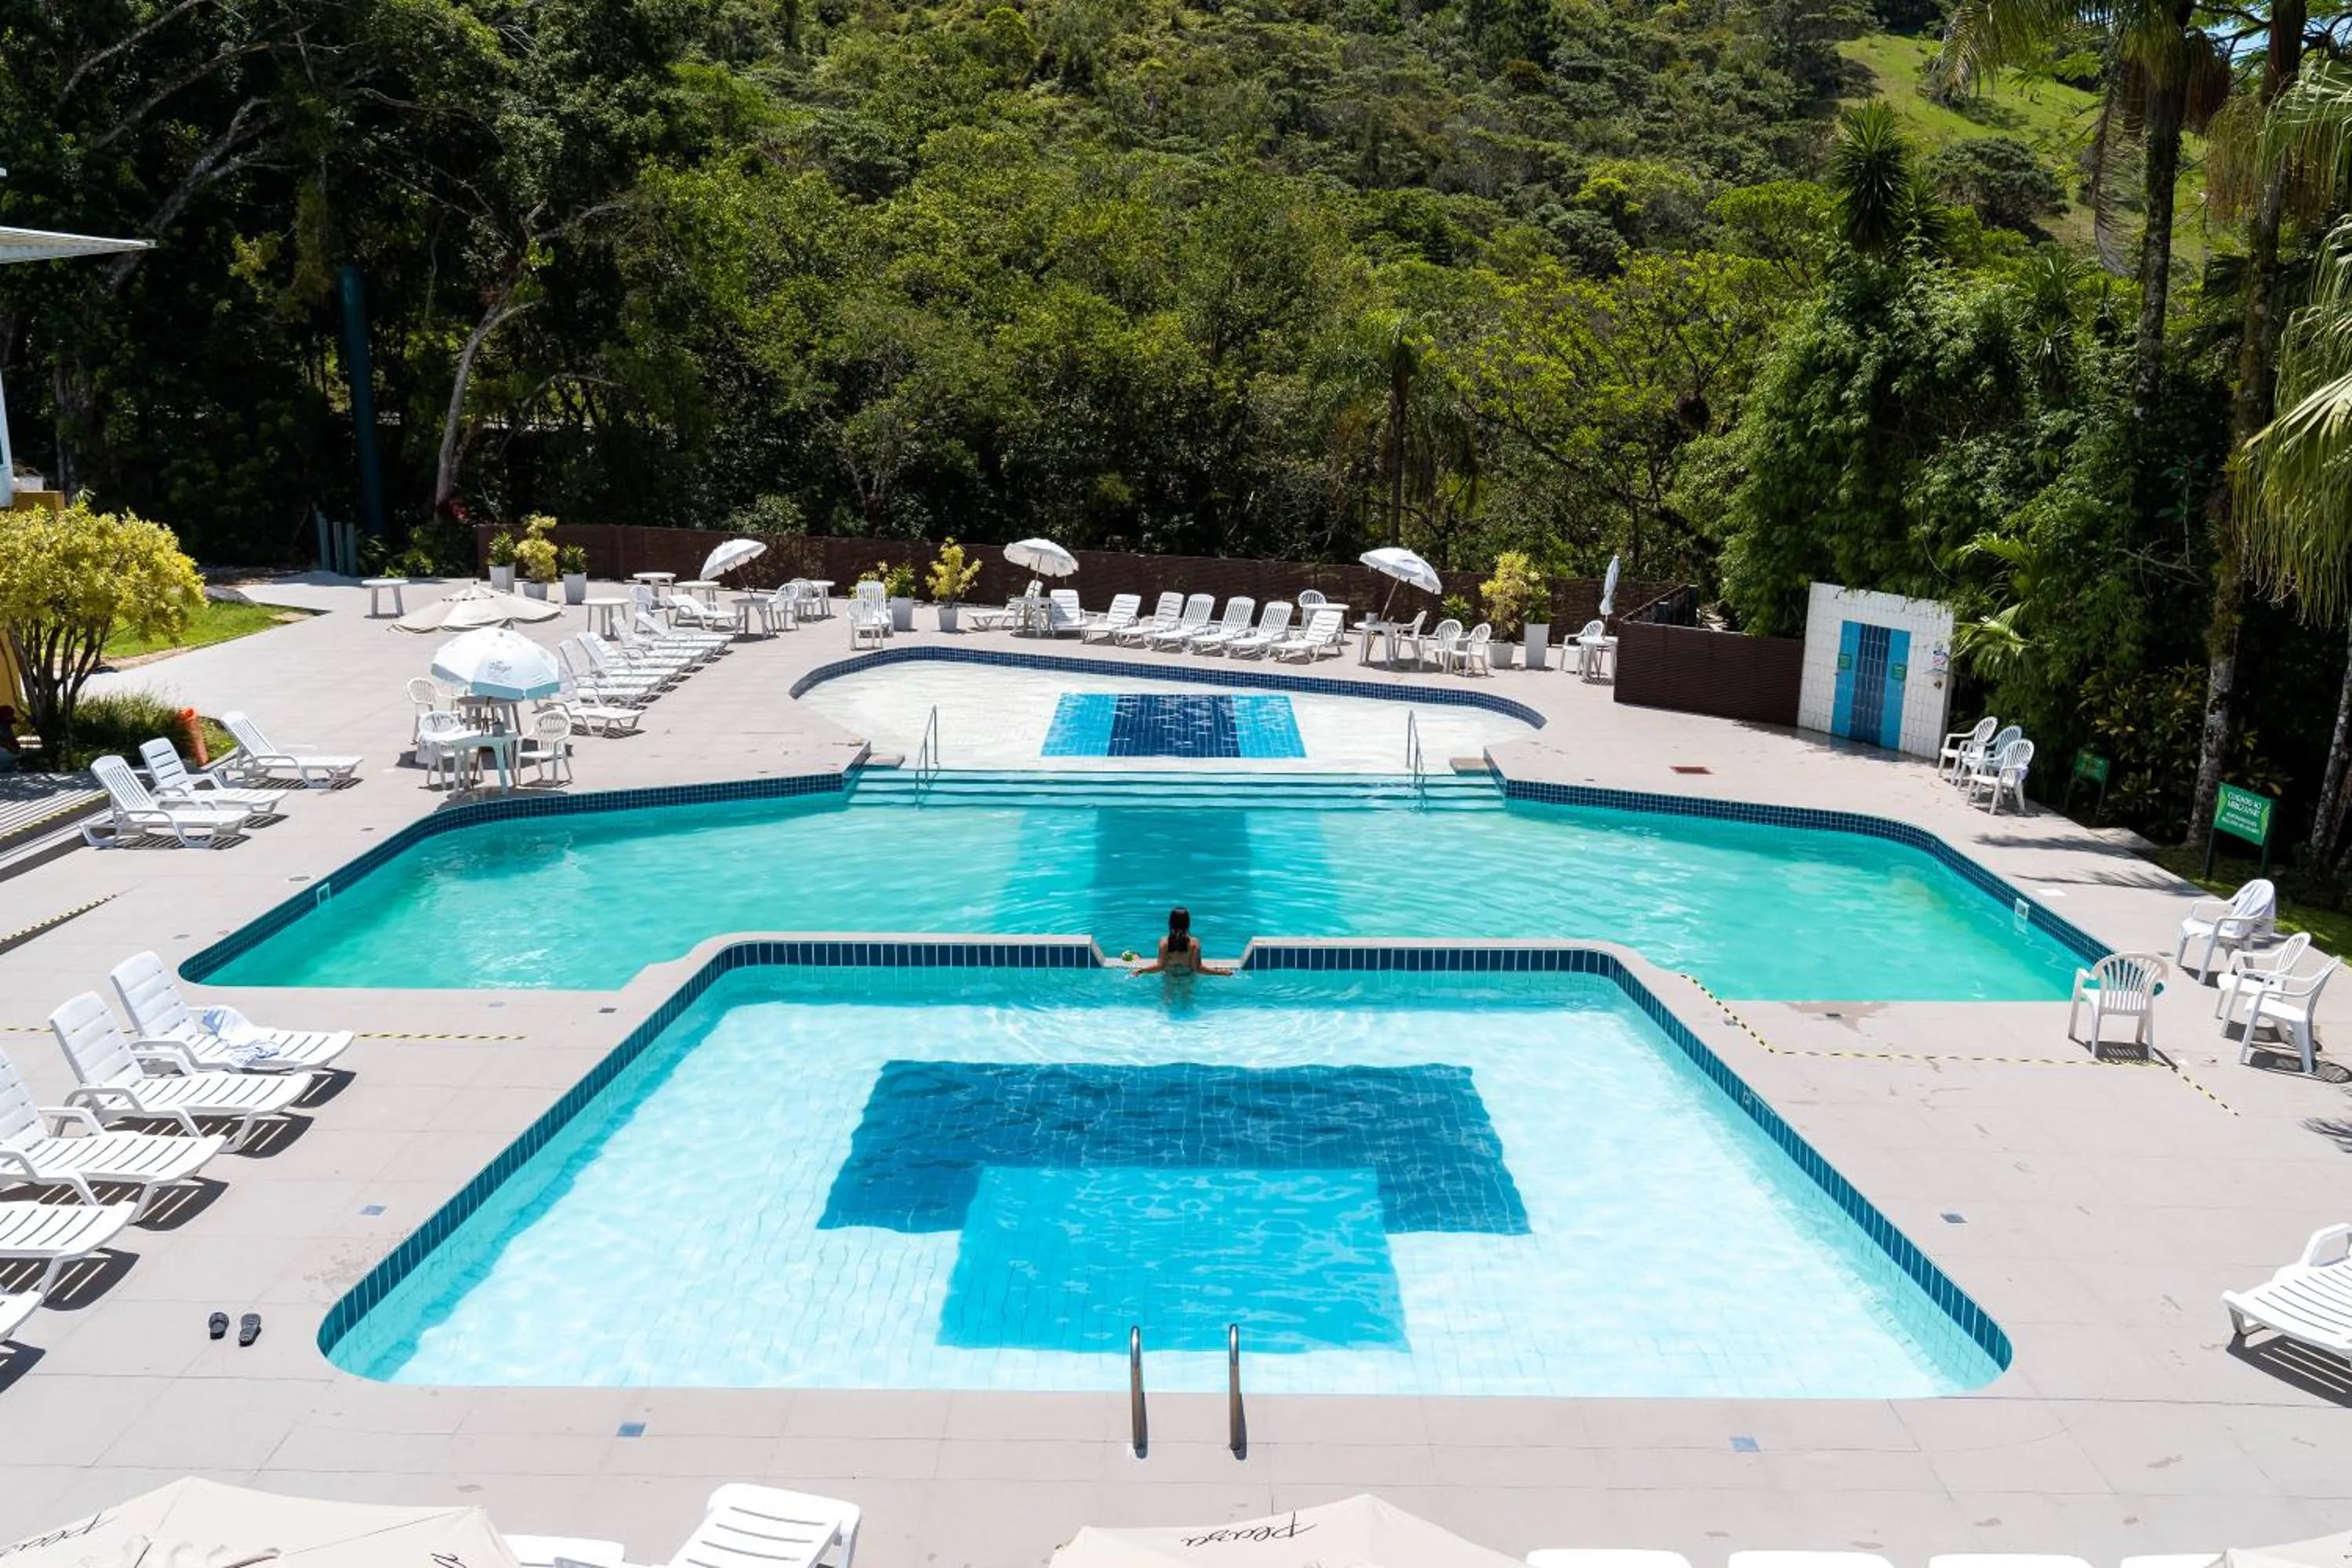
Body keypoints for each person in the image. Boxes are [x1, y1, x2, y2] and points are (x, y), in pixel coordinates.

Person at [1128, 906, 1232, 977]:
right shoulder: (1194, 943)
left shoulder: (1164, 942)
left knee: (1167, 1003)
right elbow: (1198, 969)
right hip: (1188, 977)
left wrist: (1141, 970)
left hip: (1170, 977)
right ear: (1188, 923)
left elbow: (1160, 966)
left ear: (1170, 922)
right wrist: (1221, 973)